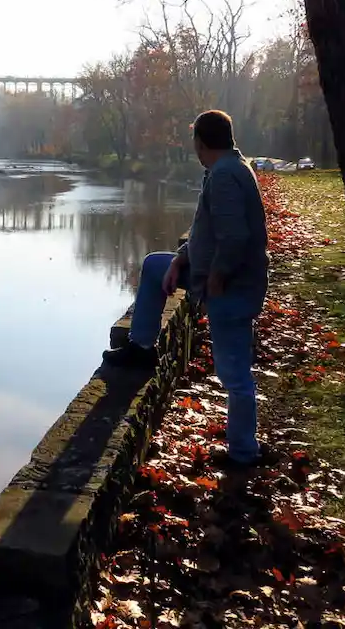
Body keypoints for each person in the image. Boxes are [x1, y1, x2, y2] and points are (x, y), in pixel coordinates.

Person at [103, 110, 269, 466]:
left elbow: (235, 237)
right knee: (153, 265)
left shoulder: (225, 177)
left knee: (234, 372)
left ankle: (244, 452)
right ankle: (142, 347)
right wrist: (181, 258)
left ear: (200, 143)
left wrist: (217, 278)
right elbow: (206, 230)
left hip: (232, 287)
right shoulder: (229, 168)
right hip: (213, 272)